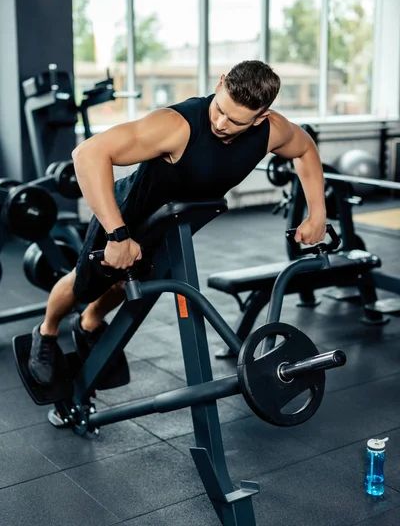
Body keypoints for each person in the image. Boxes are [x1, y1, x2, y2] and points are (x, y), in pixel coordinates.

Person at [28, 60, 327, 385]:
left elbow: (306, 149)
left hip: (170, 226)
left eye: (236, 120)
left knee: (128, 286)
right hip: (124, 217)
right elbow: (87, 154)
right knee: (81, 286)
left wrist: (318, 215)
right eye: (220, 109)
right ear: (220, 83)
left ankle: (88, 323)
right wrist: (117, 235)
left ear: (261, 117)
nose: (221, 122)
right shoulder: (176, 125)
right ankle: (46, 332)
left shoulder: (272, 131)